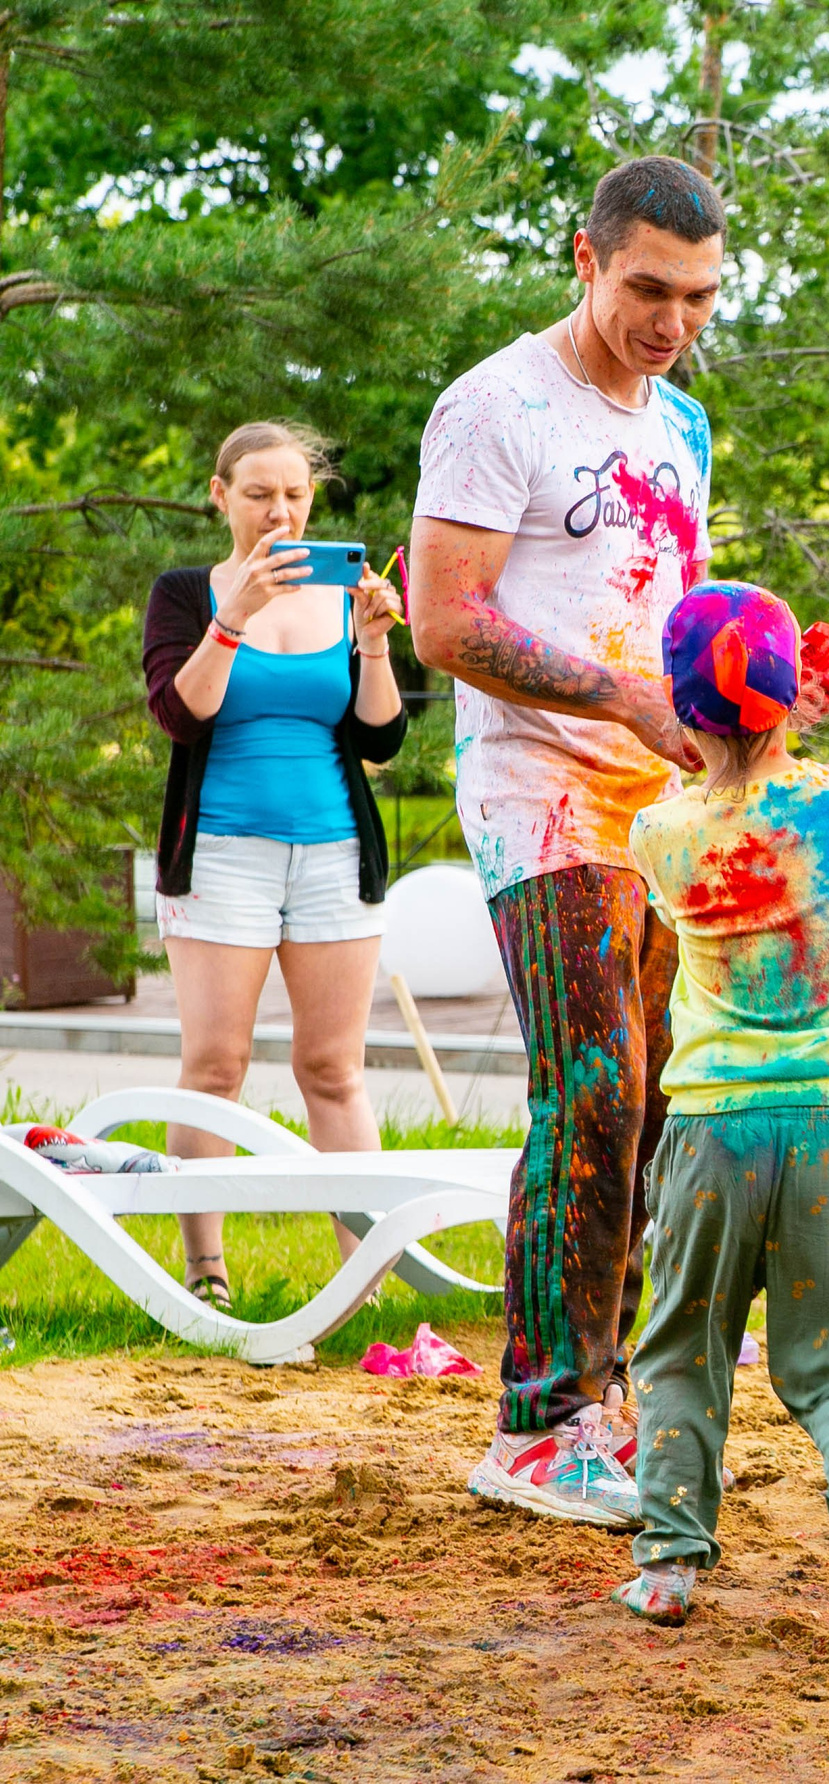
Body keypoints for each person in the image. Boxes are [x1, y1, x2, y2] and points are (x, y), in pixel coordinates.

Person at [410, 155, 765, 1526]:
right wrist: (617, 694)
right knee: (594, 1087)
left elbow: (671, 610)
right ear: (586, 258)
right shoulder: (495, 406)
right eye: (649, 289)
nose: (674, 321)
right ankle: (540, 1423)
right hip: (538, 791)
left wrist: (744, 692)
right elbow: (446, 622)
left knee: (661, 1097)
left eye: (701, 296)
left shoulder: (684, 425)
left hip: (656, 797)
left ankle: (611, 1394)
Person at [611, 582, 829, 1649]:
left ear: (679, 706)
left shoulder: (660, 831)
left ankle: (668, 1562)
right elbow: (794, 773)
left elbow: (719, 774)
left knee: (682, 1344)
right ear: (793, 700)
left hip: (714, 1124)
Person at [141, 421, 409, 1310]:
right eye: (258, 494)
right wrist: (235, 617)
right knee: (215, 1065)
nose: (279, 512)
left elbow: (381, 739)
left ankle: (364, 1279)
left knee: (333, 1069)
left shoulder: (343, 596)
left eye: (294, 494)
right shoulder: (186, 594)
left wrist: (374, 641)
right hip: (222, 857)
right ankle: (206, 1273)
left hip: (335, 857)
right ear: (221, 496)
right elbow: (181, 714)